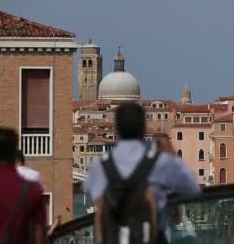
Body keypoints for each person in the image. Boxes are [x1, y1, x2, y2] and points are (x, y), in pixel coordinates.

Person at [84, 102, 201, 243]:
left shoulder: (99, 165)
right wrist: (171, 154)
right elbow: (194, 189)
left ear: (116, 129)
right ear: (144, 129)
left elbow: (99, 206)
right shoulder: (160, 162)